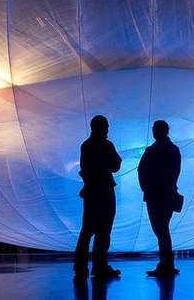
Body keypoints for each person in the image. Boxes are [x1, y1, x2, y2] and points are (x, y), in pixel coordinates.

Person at [73, 115, 122, 279]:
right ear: (101, 127)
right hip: (104, 191)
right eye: (106, 126)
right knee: (103, 229)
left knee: (87, 230)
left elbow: (86, 168)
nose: (108, 130)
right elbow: (116, 165)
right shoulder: (107, 145)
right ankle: (99, 266)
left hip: (91, 192)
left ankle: (80, 267)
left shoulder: (86, 146)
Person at [138, 120, 181, 277]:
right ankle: (167, 263)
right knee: (162, 229)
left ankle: (166, 264)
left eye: (155, 129)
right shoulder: (173, 150)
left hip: (155, 196)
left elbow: (141, 171)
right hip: (166, 195)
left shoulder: (151, 151)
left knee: (160, 229)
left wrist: (147, 188)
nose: (153, 131)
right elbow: (175, 172)